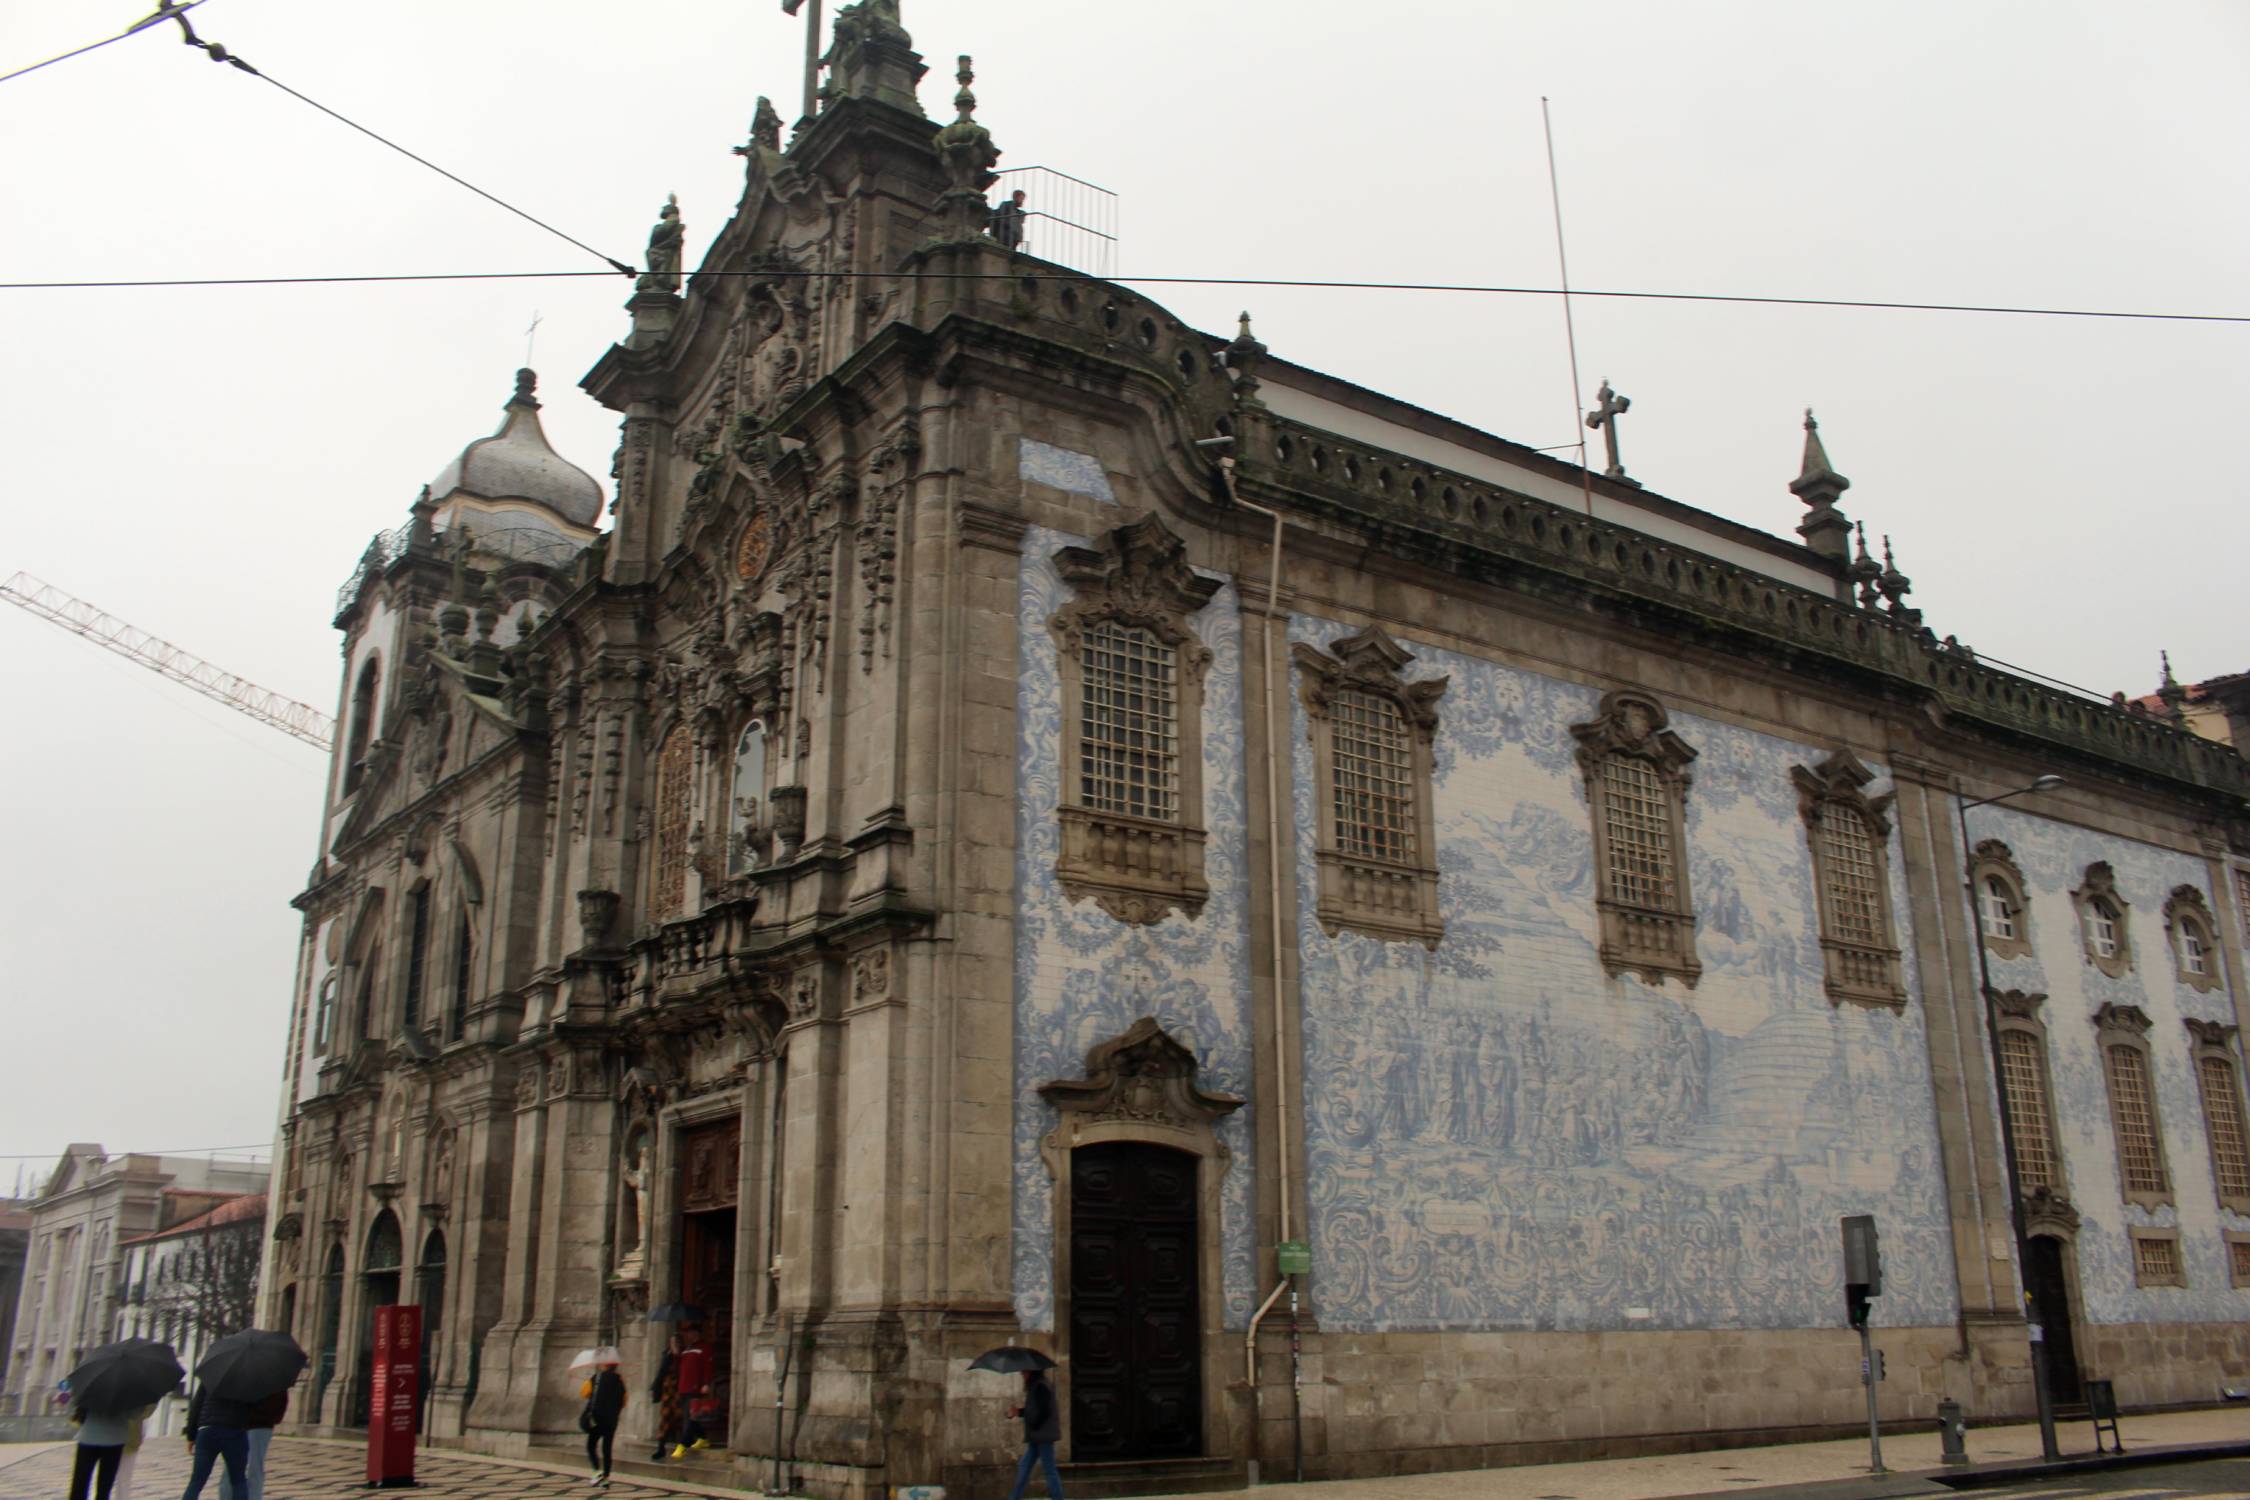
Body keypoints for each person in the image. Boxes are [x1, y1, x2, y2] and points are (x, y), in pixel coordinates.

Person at [177, 1382, 255, 1500]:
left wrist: (191, 1435)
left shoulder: (212, 1375)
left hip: (208, 1430)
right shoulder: (247, 1379)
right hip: (234, 1432)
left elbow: (196, 1406)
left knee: (196, 1481)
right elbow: (252, 1409)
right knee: (238, 1481)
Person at [68, 1401, 150, 1500]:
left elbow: (79, 1406)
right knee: (104, 1486)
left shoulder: (93, 1389)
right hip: (113, 1441)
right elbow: (133, 1415)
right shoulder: (126, 1393)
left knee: (80, 1482)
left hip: (88, 1437)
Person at [1003, 1368, 1062, 1500]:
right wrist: (1018, 1412)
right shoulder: (1037, 1386)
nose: (1022, 1375)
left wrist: (1030, 1420)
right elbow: (1034, 1410)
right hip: (1037, 1436)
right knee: (1024, 1465)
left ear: (1031, 1372)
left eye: (1023, 1372)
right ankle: (1014, 1497)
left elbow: (1043, 1411)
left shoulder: (1041, 1386)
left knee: (1049, 1470)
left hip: (1043, 1436)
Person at [217, 1391, 285, 1500]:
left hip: (254, 1425)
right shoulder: (276, 1379)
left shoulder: (273, 1382)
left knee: (242, 1466)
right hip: (254, 1425)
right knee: (248, 1467)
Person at [582, 1359, 628, 1486]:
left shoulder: (597, 1378)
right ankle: (606, 1477)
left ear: (605, 1365)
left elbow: (584, 1393)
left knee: (591, 1445)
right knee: (607, 1449)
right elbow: (624, 1401)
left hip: (597, 1419)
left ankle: (597, 1472)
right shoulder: (620, 1380)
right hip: (612, 1420)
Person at [670, 1327, 713, 1459]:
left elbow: (708, 1366)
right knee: (691, 1417)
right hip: (684, 1387)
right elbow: (679, 1366)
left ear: (696, 1333)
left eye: (689, 1333)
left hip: (695, 1388)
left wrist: (706, 1383)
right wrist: (675, 1352)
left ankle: (682, 1445)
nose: (687, 1336)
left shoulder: (704, 1348)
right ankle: (703, 1438)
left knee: (691, 1417)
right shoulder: (686, 1350)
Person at [648, 1333, 682, 1461]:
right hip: (668, 1391)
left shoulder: (682, 1356)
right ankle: (661, 1447)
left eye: (675, 1342)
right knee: (666, 1419)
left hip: (679, 1390)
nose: (673, 1345)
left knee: (680, 1418)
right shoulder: (667, 1355)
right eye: (671, 1342)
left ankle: (681, 1444)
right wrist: (655, 1387)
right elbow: (661, 1373)